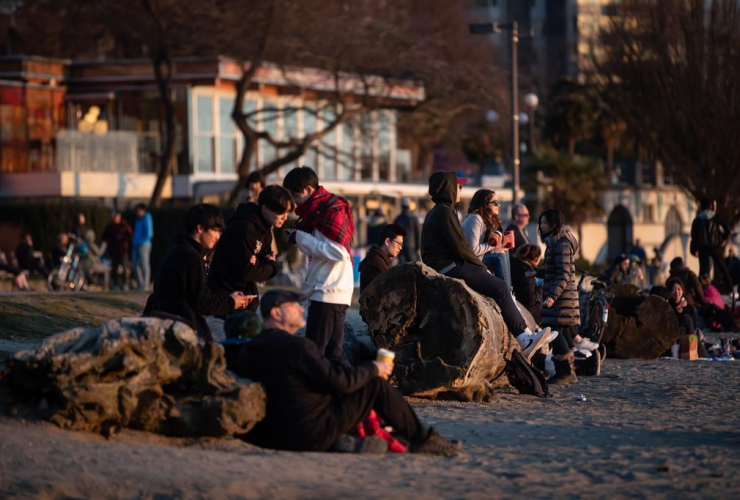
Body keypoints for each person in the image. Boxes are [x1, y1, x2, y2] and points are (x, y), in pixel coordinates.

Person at [229, 289, 461, 456]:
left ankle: (348, 439)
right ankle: (423, 439)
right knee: (374, 386)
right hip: (310, 431)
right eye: (293, 305)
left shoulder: (251, 347)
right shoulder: (298, 346)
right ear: (276, 314)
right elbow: (341, 383)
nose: (301, 308)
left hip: (276, 432)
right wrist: (374, 368)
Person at [419, 171, 553, 360]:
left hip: (447, 264)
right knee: (499, 287)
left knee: (497, 278)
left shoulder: (441, 211)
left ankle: (526, 333)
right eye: (458, 186)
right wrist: (480, 268)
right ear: (448, 188)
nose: (461, 189)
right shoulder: (445, 212)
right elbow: (461, 248)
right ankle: (524, 339)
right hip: (448, 267)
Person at [143, 203, 251, 342]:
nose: (218, 236)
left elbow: (196, 296)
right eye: (215, 230)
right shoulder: (191, 257)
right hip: (179, 327)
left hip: (166, 320)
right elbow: (202, 303)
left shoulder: (177, 249)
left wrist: (228, 299)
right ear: (200, 228)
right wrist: (231, 302)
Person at [283, 166, 355, 366]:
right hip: (329, 290)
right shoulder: (319, 212)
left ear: (307, 190)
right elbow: (323, 251)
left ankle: (358, 388)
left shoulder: (329, 211)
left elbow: (339, 253)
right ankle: (353, 389)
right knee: (333, 355)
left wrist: (301, 238)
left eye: (295, 195)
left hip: (330, 291)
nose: (294, 201)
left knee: (315, 354)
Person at [208, 185, 293, 314]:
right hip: (226, 298)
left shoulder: (265, 229)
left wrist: (260, 265)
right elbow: (246, 271)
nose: (285, 217)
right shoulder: (245, 227)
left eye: (287, 213)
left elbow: (260, 266)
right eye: (281, 212)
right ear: (265, 207)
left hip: (245, 297)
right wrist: (271, 267)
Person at [539, 208, 595, 385]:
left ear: (554, 223)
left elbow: (563, 274)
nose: (541, 226)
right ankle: (566, 372)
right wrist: (535, 272)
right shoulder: (555, 242)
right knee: (558, 331)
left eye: (545, 223)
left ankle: (566, 372)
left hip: (562, 298)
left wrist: (552, 296)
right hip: (562, 296)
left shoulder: (561, 243)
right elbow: (555, 269)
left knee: (554, 331)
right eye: (541, 223)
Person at [461, 189, 512, 290]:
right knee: (499, 255)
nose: (498, 205)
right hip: (469, 264)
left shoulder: (488, 220)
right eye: (495, 202)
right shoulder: (475, 218)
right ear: (485, 204)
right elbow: (472, 250)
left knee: (502, 252)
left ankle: (508, 291)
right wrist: (493, 246)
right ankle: (507, 293)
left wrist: (500, 245)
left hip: (477, 260)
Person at [691, 198, 733, 293]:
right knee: (723, 269)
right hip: (716, 247)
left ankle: (701, 291)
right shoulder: (716, 217)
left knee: (703, 272)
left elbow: (694, 236)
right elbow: (727, 229)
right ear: (711, 206)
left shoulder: (697, 220)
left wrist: (695, 249)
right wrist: (723, 239)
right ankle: (730, 290)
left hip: (703, 248)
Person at [358, 223, 406, 293]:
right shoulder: (376, 264)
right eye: (398, 243)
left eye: (401, 244)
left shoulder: (381, 261)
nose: (400, 248)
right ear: (387, 241)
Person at [510, 244, 543, 324]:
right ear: (536, 259)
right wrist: (541, 288)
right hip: (529, 315)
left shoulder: (514, 265)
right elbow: (530, 299)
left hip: (518, 308)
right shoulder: (527, 272)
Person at [102, 211, 133, 290]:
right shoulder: (110, 226)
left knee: (125, 267)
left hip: (122, 250)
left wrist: (123, 239)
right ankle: (116, 284)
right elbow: (104, 236)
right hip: (113, 251)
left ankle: (125, 283)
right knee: (114, 268)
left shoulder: (124, 225)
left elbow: (130, 234)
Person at [132, 203, 154, 291]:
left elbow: (149, 233)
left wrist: (141, 241)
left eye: (138, 210)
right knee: (135, 264)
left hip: (144, 244)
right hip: (136, 244)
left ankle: (145, 284)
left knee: (145, 264)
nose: (137, 213)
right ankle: (140, 284)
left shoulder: (147, 218)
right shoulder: (138, 219)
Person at [393, 197, 421, 264]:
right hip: (412, 247)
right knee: (413, 267)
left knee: (402, 268)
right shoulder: (414, 218)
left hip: (400, 247)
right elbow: (418, 233)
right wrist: (418, 247)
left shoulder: (397, 219)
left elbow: (393, 233)